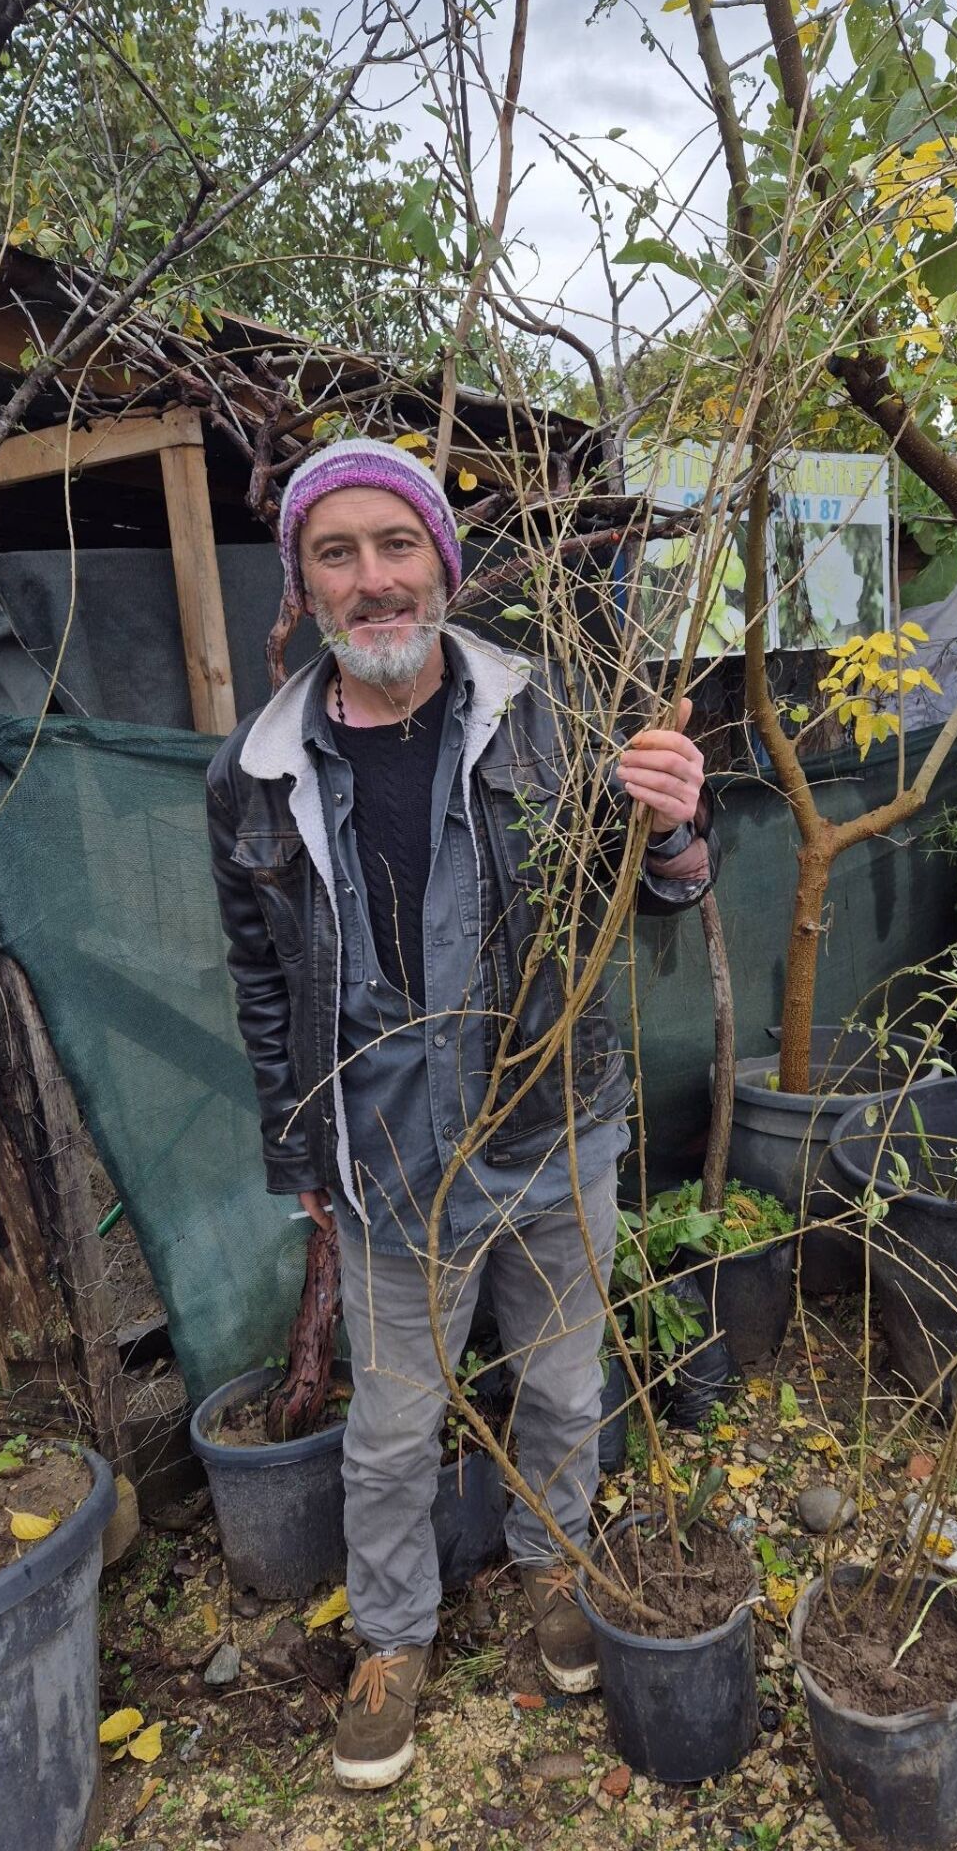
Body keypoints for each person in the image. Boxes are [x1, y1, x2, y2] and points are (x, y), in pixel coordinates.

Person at [207, 437, 718, 1790]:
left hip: (556, 1134)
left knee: (561, 1385)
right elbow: (262, 983)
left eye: (396, 547)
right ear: (305, 583)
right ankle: (391, 1640)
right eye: (337, 552)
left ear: (440, 561)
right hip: (383, 1159)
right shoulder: (253, 774)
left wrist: (672, 828)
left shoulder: (552, 713)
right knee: (390, 1430)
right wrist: (296, 1146)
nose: (373, 581)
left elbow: (657, 896)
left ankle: (555, 1570)